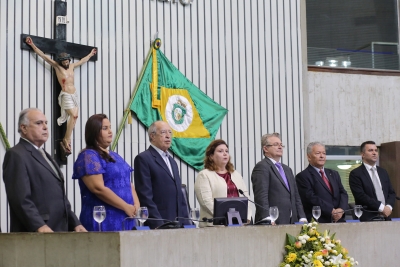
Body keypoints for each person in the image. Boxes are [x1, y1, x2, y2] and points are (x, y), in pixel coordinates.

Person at [2, 108, 86, 232]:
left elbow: (60, 198)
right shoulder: (16, 155)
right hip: (36, 234)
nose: (45, 127)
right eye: (39, 123)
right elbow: (20, 199)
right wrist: (39, 226)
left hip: (59, 231)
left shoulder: (45, 155)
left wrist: (75, 223)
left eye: (46, 123)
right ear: (23, 128)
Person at [25, 36, 97, 156]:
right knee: (73, 115)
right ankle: (66, 140)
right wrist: (32, 45)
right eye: (63, 61)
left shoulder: (72, 66)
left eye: (67, 61)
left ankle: (66, 139)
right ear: (60, 61)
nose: (66, 63)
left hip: (74, 94)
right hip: (66, 95)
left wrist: (90, 54)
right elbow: (43, 56)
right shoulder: (57, 67)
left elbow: (82, 61)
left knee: (74, 118)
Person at [72, 114, 140, 231]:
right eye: (105, 128)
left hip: (127, 216)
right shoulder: (89, 155)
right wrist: (125, 206)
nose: (110, 131)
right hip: (104, 219)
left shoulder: (114, 155)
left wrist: (136, 206)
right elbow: (97, 188)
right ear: (94, 132)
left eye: (110, 127)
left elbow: (128, 183)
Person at [134, 120, 190, 229]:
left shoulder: (172, 162)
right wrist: (158, 223)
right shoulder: (143, 159)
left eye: (170, 132)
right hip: (159, 224)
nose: (168, 136)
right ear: (152, 136)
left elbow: (179, 194)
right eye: (164, 132)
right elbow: (145, 196)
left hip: (178, 224)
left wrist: (187, 223)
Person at [251, 132, 307, 224]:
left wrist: (302, 217)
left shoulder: (287, 169)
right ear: (265, 148)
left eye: (281, 145)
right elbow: (261, 196)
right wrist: (267, 219)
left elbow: (296, 196)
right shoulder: (262, 167)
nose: (280, 147)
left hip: (292, 221)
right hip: (273, 222)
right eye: (276, 145)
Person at [194, 139, 252, 227]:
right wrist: (226, 218)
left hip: (238, 224)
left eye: (226, 151)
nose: (225, 153)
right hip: (213, 226)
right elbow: (206, 202)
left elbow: (246, 197)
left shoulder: (235, 174)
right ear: (211, 156)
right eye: (220, 151)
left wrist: (246, 217)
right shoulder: (204, 175)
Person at [296, 142, 349, 223]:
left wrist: (341, 210)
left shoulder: (334, 174)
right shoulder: (303, 176)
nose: (322, 156)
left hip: (339, 220)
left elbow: (343, 193)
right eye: (318, 153)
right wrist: (331, 210)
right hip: (318, 221)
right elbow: (311, 198)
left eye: (324, 153)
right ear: (309, 156)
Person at [349, 141, 396, 221]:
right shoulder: (355, 174)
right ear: (362, 154)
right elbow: (361, 196)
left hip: (386, 217)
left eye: (376, 150)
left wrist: (388, 207)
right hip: (367, 218)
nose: (374, 153)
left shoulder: (383, 172)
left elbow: (391, 193)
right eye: (370, 150)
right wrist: (381, 207)